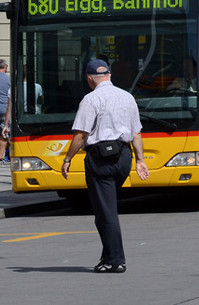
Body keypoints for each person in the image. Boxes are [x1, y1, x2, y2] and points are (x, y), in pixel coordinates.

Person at [60, 59, 149, 274]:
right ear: (109, 75)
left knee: (106, 211)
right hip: (124, 157)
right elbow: (136, 133)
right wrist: (140, 160)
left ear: (90, 79)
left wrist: (67, 158)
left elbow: (81, 135)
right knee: (104, 209)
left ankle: (116, 260)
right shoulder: (127, 97)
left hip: (100, 159)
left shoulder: (91, 99)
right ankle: (107, 256)